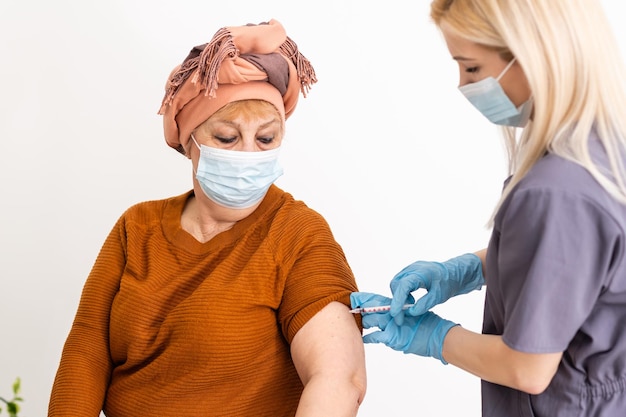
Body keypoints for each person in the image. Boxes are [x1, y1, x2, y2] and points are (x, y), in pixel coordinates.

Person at [48, 19, 366, 417]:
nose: (248, 154)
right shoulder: (136, 227)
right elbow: (88, 346)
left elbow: (338, 378)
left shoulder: (297, 234)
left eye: (265, 139)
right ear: (191, 141)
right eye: (227, 138)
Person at [351, 0, 626, 416]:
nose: (463, 84)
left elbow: (528, 368)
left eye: (472, 68)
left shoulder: (557, 191)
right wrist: (468, 270)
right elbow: (578, 265)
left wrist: (432, 337)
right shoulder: (604, 149)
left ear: (535, 54)